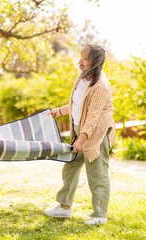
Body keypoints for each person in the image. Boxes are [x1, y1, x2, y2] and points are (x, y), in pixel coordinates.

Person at [44, 43, 116, 225]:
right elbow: (78, 105)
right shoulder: (81, 78)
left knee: (97, 173)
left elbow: (92, 117)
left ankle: (100, 215)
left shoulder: (101, 86)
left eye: (85, 58)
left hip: (96, 135)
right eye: (81, 56)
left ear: (94, 63)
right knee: (70, 168)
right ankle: (64, 208)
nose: (80, 60)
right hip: (79, 131)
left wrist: (82, 140)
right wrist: (59, 111)